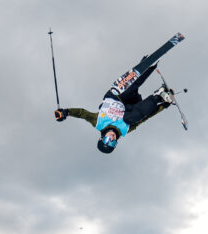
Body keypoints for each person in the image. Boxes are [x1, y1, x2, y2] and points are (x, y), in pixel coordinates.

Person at [54, 33, 184, 154]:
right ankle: (159, 96)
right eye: (113, 142)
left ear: (102, 138)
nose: (111, 138)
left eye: (107, 140)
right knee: (131, 119)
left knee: (130, 87)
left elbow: (82, 113)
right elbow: (147, 116)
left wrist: (66, 112)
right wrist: (163, 105)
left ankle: (148, 67)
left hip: (117, 96)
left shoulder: (98, 122)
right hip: (132, 105)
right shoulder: (124, 130)